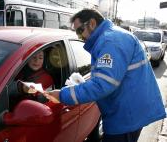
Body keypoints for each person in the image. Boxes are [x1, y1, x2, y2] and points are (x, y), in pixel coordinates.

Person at [44, 9, 166, 142]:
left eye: (80, 31)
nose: (80, 37)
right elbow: (107, 78)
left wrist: (62, 95)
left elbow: (103, 84)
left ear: (91, 23)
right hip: (129, 112)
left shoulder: (110, 41)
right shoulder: (113, 36)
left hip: (125, 118)